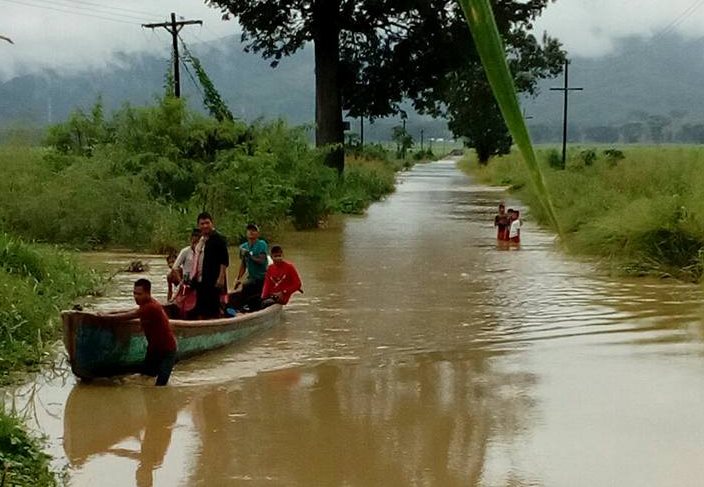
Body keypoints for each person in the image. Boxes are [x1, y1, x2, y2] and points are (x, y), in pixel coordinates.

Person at [98, 279, 177, 386]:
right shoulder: (145, 304)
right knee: (145, 378)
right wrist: (108, 313)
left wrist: (105, 317)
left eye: (139, 294)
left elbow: (128, 316)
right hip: (153, 349)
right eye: (134, 293)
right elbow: (129, 312)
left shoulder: (151, 307)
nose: (135, 296)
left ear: (148, 294)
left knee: (160, 386)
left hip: (167, 351)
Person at [194, 212, 229, 319]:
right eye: (202, 224)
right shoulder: (202, 240)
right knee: (200, 307)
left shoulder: (218, 239)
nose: (205, 226)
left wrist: (221, 278)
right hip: (201, 279)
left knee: (213, 306)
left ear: (212, 223)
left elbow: (224, 260)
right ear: (198, 225)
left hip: (214, 279)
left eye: (207, 223)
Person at [232, 224, 268, 311]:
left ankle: (244, 307)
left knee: (246, 286)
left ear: (258, 234)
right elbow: (243, 264)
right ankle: (241, 307)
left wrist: (249, 255)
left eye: (254, 230)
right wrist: (238, 279)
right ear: (246, 233)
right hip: (251, 278)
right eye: (249, 230)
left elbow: (261, 261)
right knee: (245, 286)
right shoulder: (243, 247)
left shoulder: (262, 244)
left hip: (262, 278)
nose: (251, 232)